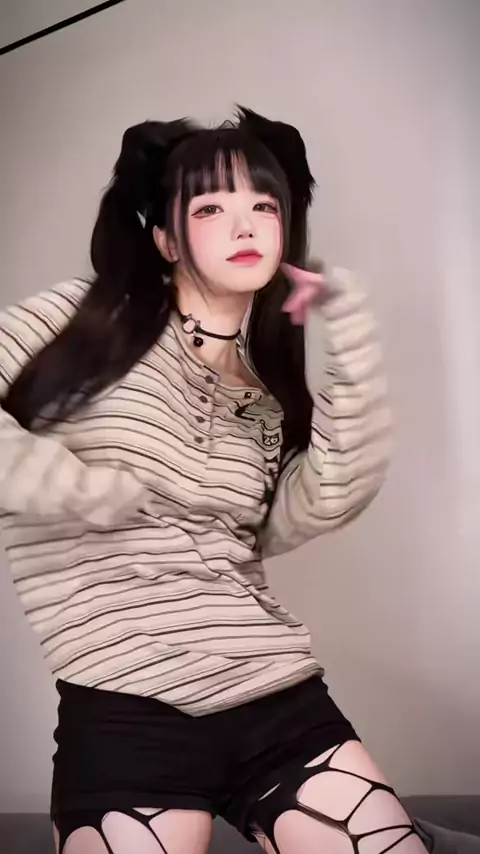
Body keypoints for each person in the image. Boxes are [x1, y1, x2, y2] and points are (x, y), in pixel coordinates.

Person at [0, 107, 424, 854]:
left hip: (278, 698)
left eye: (265, 206)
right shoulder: (82, 317)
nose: (245, 225)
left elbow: (318, 504)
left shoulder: (263, 399)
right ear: (165, 239)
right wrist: (70, 485)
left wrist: (351, 337)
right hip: (127, 708)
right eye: (209, 208)